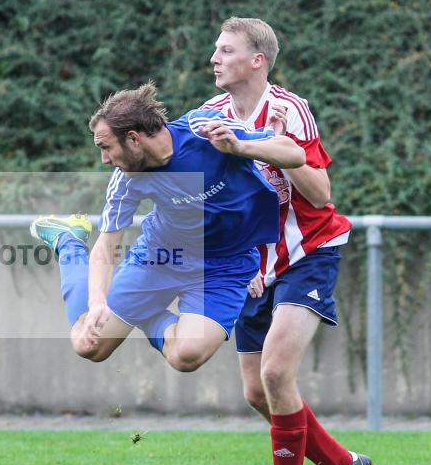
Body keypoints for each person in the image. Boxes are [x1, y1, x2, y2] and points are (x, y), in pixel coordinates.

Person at [202, 17, 374, 465]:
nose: (214, 57)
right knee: (258, 391)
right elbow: (215, 201)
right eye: (216, 49)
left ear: (257, 60)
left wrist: (263, 150)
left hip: (308, 252)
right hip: (253, 264)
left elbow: (322, 195)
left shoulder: (289, 109)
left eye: (225, 49)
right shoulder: (210, 114)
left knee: (278, 373)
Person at [31, 82, 303, 382]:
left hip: (226, 267)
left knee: (186, 356)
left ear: (133, 138)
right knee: (88, 344)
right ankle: (68, 240)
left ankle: (144, 311)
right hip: (160, 258)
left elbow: (294, 154)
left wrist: (239, 147)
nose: (104, 159)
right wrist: (97, 303)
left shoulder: (203, 129)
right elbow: (107, 246)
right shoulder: (125, 180)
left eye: (105, 147)